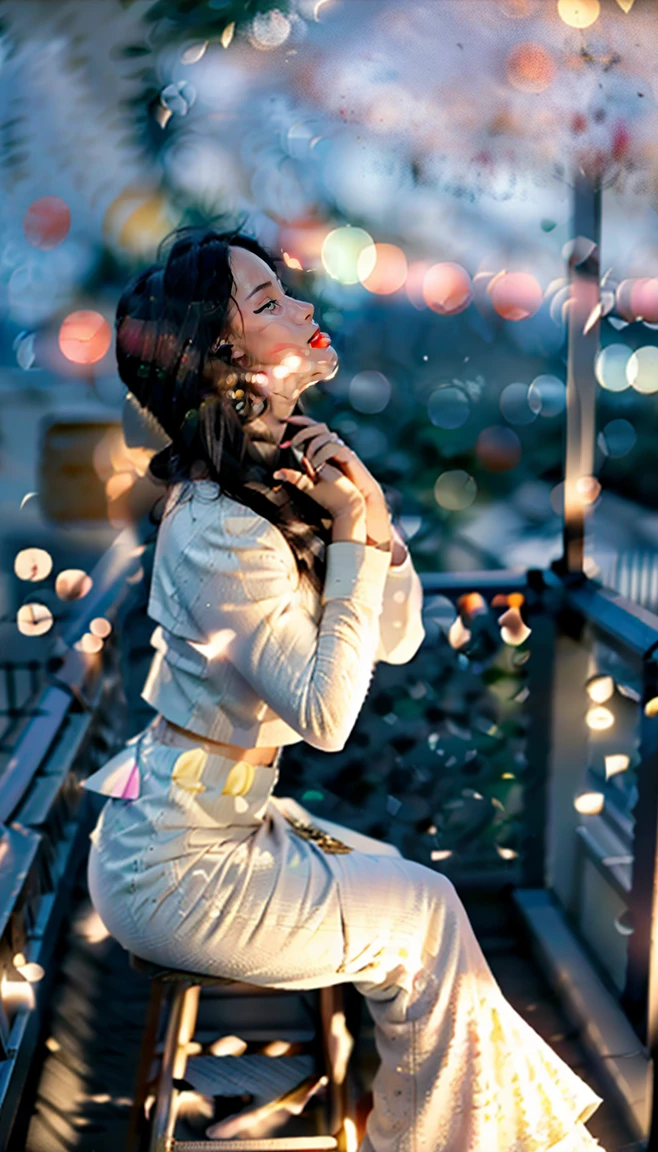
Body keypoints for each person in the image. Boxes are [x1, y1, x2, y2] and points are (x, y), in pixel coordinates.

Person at [83, 226, 605, 1151]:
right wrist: (358, 535)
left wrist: (372, 518)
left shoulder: (271, 486)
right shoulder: (218, 528)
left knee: (423, 900)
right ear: (222, 358)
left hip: (229, 824)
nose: (307, 309)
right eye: (270, 303)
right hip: (175, 867)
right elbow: (326, 719)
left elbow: (394, 638)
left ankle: (472, 1133)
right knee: (427, 916)